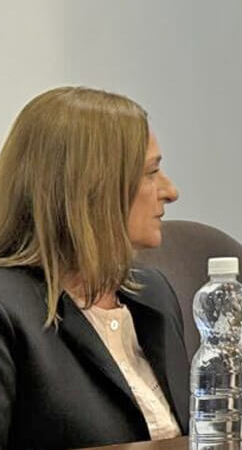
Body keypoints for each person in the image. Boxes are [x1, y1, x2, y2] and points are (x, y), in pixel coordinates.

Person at [0, 87, 187, 450]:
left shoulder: (153, 294)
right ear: (91, 189)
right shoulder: (9, 309)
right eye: (151, 172)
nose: (170, 191)